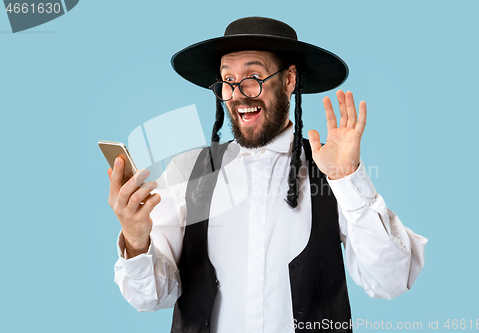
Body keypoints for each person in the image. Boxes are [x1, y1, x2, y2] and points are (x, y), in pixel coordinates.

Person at [108, 17, 427, 333]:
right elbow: (150, 298)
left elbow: (391, 280)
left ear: (289, 81)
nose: (238, 94)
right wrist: (136, 240)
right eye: (227, 80)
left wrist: (348, 179)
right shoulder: (189, 172)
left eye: (253, 77)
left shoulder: (330, 170)